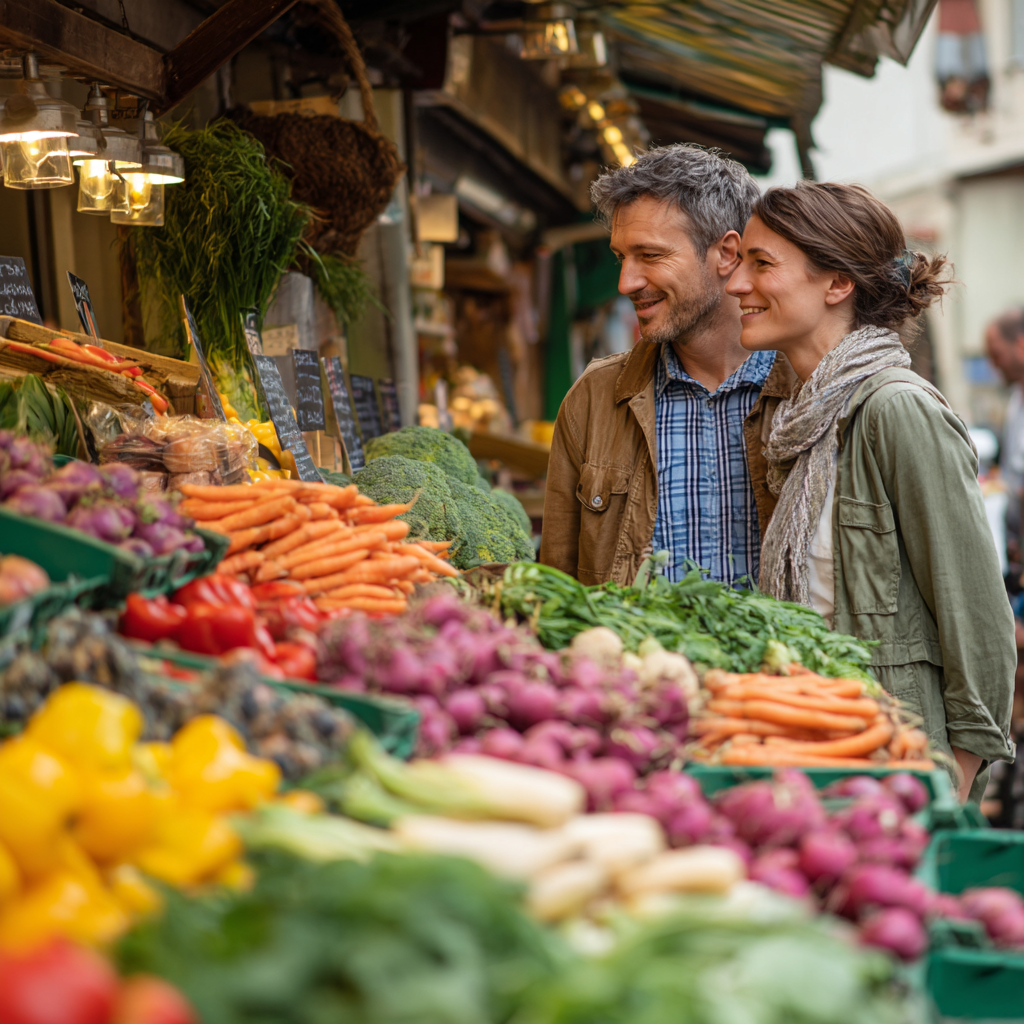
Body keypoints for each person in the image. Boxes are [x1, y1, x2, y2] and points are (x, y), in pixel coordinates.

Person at [726, 181, 1015, 802]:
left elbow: (978, 621)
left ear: (837, 284)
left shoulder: (895, 410)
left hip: (895, 770)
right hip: (813, 755)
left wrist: (951, 782)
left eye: (762, 264)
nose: (735, 285)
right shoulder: (802, 421)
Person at [540, 144, 795, 586]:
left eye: (651, 256)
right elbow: (558, 590)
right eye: (621, 257)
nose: (626, 282)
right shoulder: (593, 401)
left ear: (727, 253)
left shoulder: (813, 394)